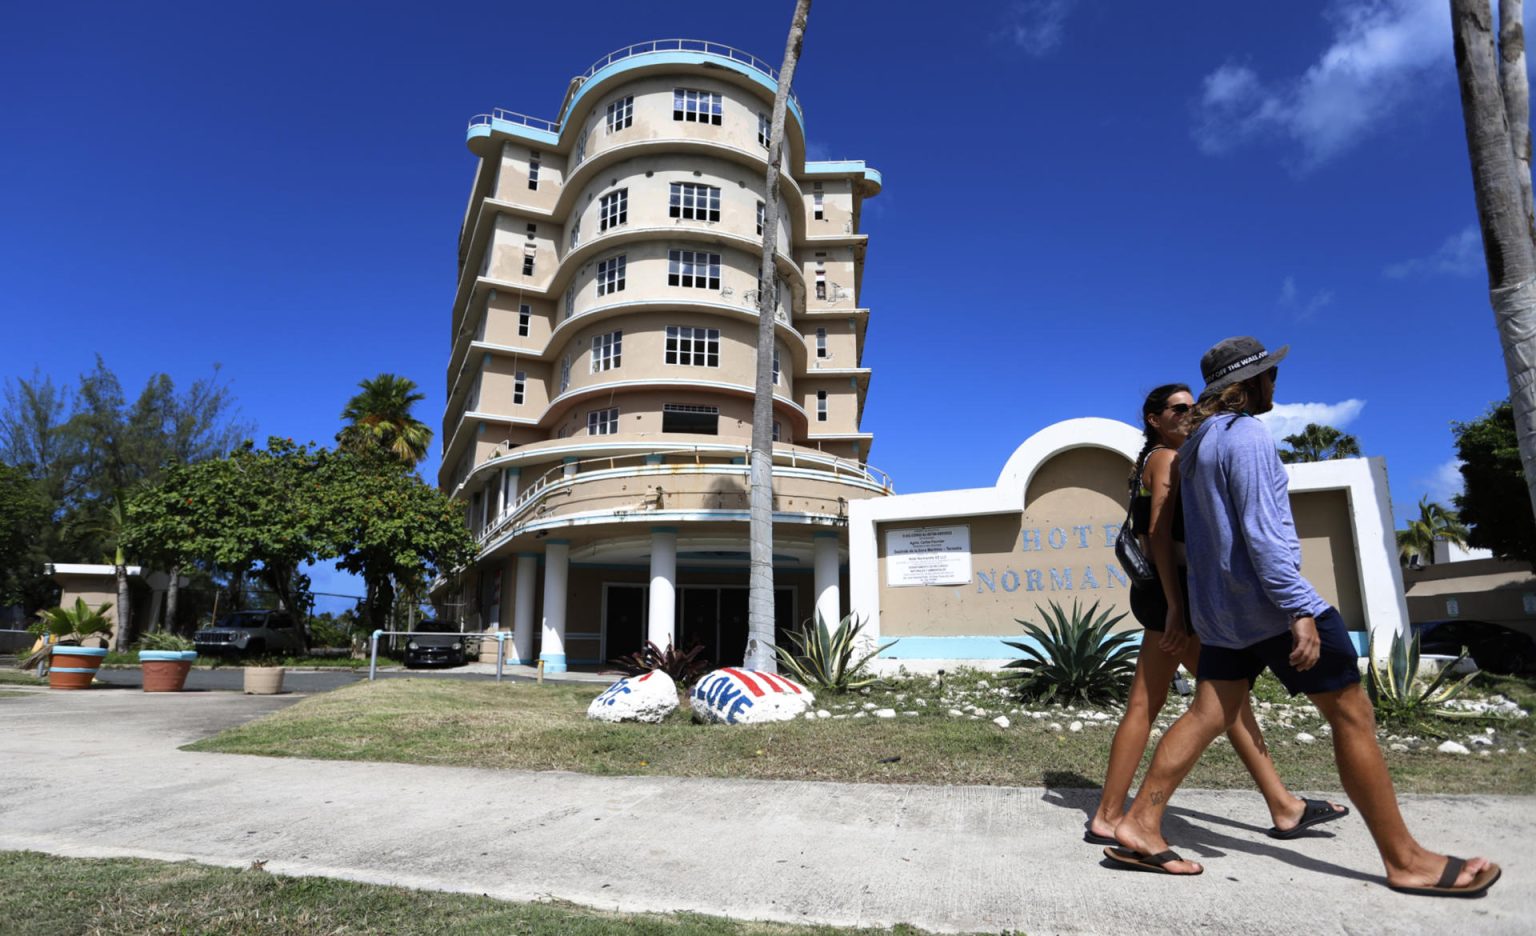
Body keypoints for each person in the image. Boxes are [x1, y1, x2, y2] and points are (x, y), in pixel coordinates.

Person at [1106, 337, 1502, 898]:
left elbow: (1183, 536)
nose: (1276, 382)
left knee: (1206, 713)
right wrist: (1299, 608)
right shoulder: (1246, 438)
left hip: (1223, 614)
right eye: (1270, 373)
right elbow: (1264, 534)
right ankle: (1407, 859)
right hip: (1272, 605)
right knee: (1352, 716)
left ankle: (1139, 824)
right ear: (1247, 384)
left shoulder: (1193, 450)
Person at [1086, 383, 1345, 846]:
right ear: (1154, 418)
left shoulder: (1163, 459)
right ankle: (1111, 816)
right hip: (1177, 599)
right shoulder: (1165, 459)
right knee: (1206, 702)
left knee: (1213, 702)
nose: (1189, 414)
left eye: (1192, 407)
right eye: (1177, 409)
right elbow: (1159, 537)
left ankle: (1282, 805)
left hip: (1174, 598)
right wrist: (1177, 609)